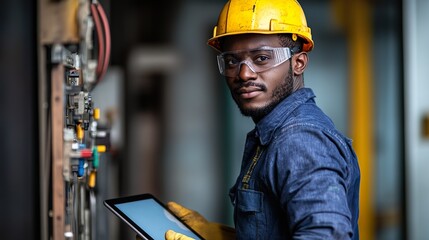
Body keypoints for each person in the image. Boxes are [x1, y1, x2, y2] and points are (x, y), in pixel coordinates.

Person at [162, 0, 361, 239]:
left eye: (262, 58)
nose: (244, 73)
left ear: (298, 63)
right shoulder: (274, 134)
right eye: (232, 61)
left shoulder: (300, 141)